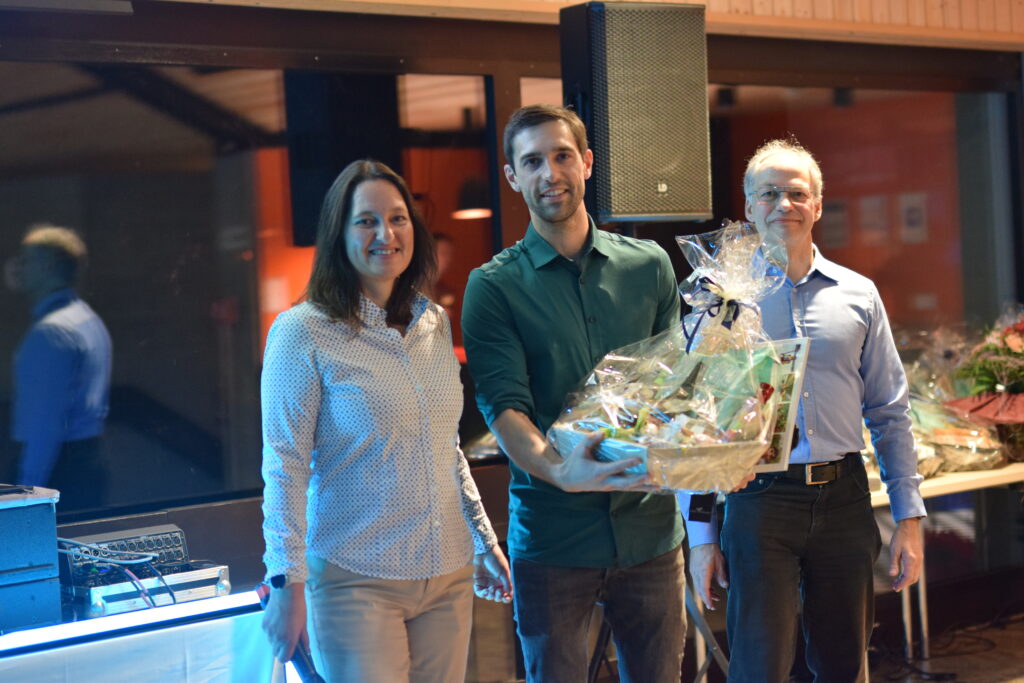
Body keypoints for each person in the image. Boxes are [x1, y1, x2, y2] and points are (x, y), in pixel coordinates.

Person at [682, 138, 926, 682]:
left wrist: (908, 520)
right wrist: (701, 539)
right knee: (759, 667)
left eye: (796, 193)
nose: (783, 205)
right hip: (758, 501)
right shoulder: (720, 301)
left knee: (844, 664)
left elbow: (890, 411)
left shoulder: (858, 294)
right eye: (769, 194)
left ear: (817, 204)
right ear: (749, 207)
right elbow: (694, 425)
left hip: (845, 498)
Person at [260, 159, 512, 683]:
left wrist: (484, 541)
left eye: (397, 219)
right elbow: (284, 465)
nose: (386, 234)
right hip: (357, 579)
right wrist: (286, 584)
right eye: (366, 221)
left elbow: (445, 448)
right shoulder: (301, 331)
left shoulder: (433, 322)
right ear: (338, 233)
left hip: (448, 573)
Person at [462, 105, 687, 682]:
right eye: (532, 161)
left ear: (587, 163)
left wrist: (717, 454)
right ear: (512, 177)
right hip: (553, 538)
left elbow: (676, 389)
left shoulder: (650, 267)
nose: (550, 173)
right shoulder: (493, 287)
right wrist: (562, 471)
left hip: (650, 530)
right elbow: (504, 408)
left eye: (562, 156)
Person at [7, 224, 112, 510]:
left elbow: (46, 422)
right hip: (85, 464)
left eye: (27, 260)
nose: (18, 268)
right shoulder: (87, 319)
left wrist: (28, 493)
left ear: (48, 267)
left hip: (58, 471)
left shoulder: (52, 332)